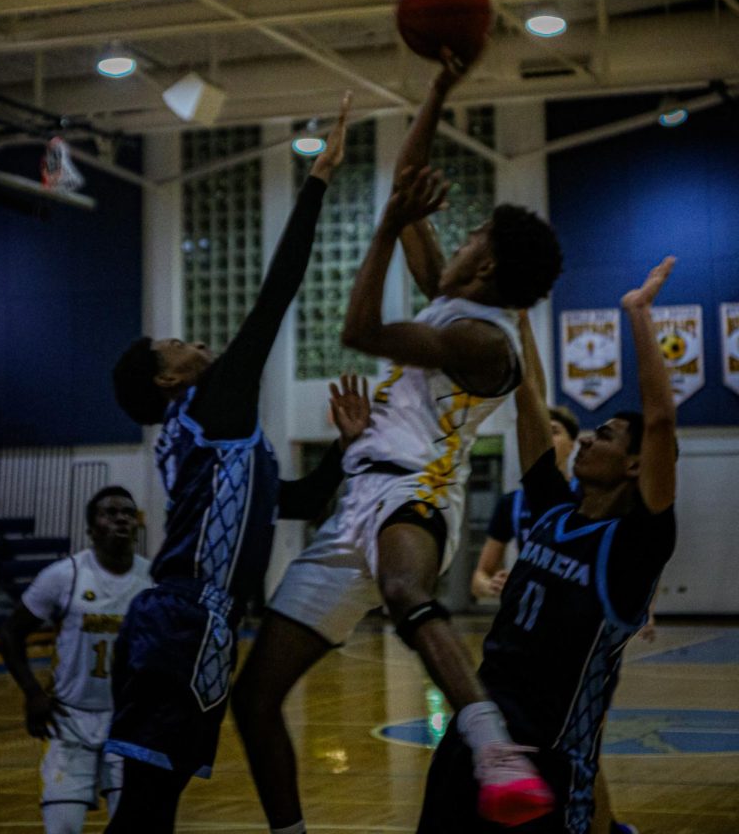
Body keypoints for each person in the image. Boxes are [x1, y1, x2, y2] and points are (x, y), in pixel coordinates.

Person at [232, 54, 564, 833]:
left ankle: (494, 751)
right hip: (360, 504)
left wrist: (387, 226)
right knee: (254, 701)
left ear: (485, 261)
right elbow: (408, 179)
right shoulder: (451, 300)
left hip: (416, 494)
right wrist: (440, 89)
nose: (458, 233)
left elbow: (360, 331)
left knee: (411, 593)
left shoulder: (486, 342)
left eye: (473, 231)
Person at [103, 97, 356, 834]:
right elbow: (276, 297)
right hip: (185, 620)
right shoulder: (215, 402)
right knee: (148, 807)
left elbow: (300, 503)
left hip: (192, 623)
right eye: (174, 344)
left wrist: (345, 449)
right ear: (168, 379)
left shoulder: (215, 433)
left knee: (156, 803)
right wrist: (319, 180)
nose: (190, 342)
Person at [414, 257, 678, 834]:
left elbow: (660, 422)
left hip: (547, 765)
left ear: (635, 466)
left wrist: (637, 314)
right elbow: (527, 394)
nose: (587, 436)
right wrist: (520, 317)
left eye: (605, 435)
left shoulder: (632, 547)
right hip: (477, 739)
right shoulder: (550, 509)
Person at [0, 487, 151, 834]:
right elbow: (10, 634)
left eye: (128, 512)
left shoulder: (151, 579)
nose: (121, 519)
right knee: (62, 828)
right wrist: (33, 693)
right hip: (69, 718)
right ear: (91, 528)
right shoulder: (63, 575)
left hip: (127, 721)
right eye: (109, 513)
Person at [472, 406, 579, 601]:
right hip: (532, 610)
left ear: (572, 444)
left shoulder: (589, 495)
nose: (546, 439)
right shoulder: (512, 502)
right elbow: (479, 579)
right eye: (541, 433)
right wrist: (492, 585)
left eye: (554, 431)